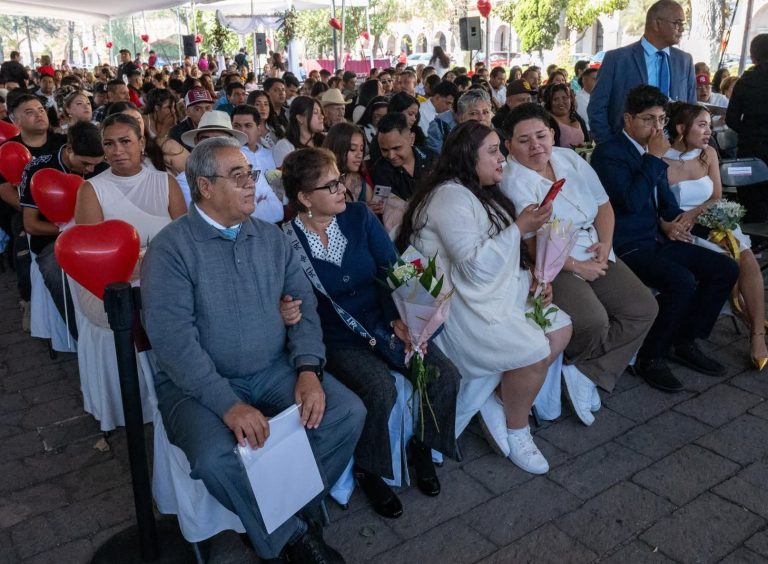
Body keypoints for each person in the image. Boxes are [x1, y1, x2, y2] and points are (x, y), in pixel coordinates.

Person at [141, 137, 364, 563]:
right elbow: (173, 342)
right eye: (238, 175)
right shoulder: (171, 249)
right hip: (198, 388)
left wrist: (307, 370)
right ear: (204, 187)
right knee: (213, 459)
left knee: (344, 412)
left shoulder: (270, 237)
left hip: (273, 368)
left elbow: (304, 308)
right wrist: (227, 405)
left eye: (251, 173)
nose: (251, 183)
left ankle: (283, 520)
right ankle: (292, 536)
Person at [281, 147, 459, 517]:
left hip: (385, 321)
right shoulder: (285, 242)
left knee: (443, 373)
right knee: (379, 388)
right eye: (330, 186)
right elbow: (286, 300)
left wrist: (411, 320)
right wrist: (282, 309)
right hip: (340, 339)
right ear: (303, 198)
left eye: (340, 181)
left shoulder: (359, 217)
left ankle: (422, 447)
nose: (343, 190)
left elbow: (397, 269)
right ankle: (369, 469)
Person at [397, 121, 571, 473]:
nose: (502, 158)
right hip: (456, 306)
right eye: (493, 151)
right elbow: (474, 267)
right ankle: (517, 428)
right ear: (467, 158)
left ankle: (501, 398)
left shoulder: (479, 189)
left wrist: (532, 278)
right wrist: (521, 227)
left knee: (561, 327)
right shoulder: (450, 196)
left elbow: (498, 252)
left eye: (499, 149)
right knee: (534, 350)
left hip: (490, 293)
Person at [501, 103, 658, 423]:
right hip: (551, 261)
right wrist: (576, 266)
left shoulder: (568, 158)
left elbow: (604, 206)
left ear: (552, 133)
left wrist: (606, 244)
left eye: (541, 136)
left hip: (593, 246)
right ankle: (587, 366)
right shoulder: (513, 180)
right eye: (524, 140)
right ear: (509, 145)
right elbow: (532, 245)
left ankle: (587, 371)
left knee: (643, 307)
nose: (535, 146)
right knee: (592, 319)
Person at [590, 85, 739, 391]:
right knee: (681, 281)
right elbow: (630, 202)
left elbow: (665, 198)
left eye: (661, 119)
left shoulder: (653, 151)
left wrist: (673, 222)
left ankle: (685, 340)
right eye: (648, 119)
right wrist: (654, 158)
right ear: (628, 119)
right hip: (627, 244)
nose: (657, 127)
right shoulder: (610, 153)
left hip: (657, 238)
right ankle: (651, 357)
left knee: (725, 268)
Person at [664, 102, 768, 369]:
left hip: (711, 217)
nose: (708, 131)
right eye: (701, 125)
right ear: (680, 128)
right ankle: (743, 318)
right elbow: (658, 205)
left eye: (709, 125)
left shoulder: (708, 154)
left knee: (747, 259)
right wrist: (678, 221)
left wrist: (697, 214)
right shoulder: (662, 159)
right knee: (726, 264)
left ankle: (757, 335)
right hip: (683, 227)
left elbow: (716, 196)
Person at [74, 113, 186, 326]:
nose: (117, 151)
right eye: (109, 144)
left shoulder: (165, 181)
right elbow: (95, 257)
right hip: (116, 283)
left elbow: (184, 236)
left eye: (125, 141)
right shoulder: (91, 190)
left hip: (169, 272)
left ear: (141, 143)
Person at [19, 122, 109, 339]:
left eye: (94, 165)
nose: (89, 170)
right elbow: (30, 224)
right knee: (56, 271)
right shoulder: (40, 169)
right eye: (85, 163)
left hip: (101, 232)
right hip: (54, 241)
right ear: (69, 149)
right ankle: (82, 337)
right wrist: (69, 230)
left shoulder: (104, 166)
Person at [588, 0, 696, 143]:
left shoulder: (685, 61)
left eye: (682, 24)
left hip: (674, 150)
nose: (681, 29)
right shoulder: (617, 59)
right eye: (677, 23)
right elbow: (597, 108)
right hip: (627, 152)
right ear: (657, 24)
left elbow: (691, 108)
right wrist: (609, 146)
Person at [180, 110, 283, 224]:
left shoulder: (250, 173)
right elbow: (205, 221)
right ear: (196, 142)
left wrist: (233, 211)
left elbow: (277, 211)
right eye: (206, 139)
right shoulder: (184, 180)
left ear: (232, 143)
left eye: (221, 140)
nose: (212, 146)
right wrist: (256, 205)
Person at [726, 34, 768, 181]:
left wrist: (749, 131)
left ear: (753, 55)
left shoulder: (745, 81)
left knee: (750, 194)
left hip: (750, 150)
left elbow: (731, 119)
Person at [323, 122, 379, 211]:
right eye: (352, 149)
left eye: (361, 149)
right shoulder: (321, 181)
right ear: (338, 148)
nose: (359, 155)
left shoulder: (364, 185)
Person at [427, 89, 493, 154]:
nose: (481, 118)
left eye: (486, 112)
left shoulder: (496, 138)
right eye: (474, 113)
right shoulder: (451, 142)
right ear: (461, 117)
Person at [272, 96, 326, 167]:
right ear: (300, 118)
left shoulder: (326, 140)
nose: (322, 116)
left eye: (321, 112)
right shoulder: (285, 146)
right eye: (315, 112)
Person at [232, 104, 277, 178]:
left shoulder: (271, 155)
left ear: (259, 130)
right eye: (237, 126)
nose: (242, 130)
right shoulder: (229, 156)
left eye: (248, 126)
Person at [542, 83, 589, 148]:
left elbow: (588, 143)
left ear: (571, 99)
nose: (561, 102)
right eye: (555, 99)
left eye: (565, 98)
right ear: (549, 102)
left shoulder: (577, 117)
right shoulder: (547, 122)